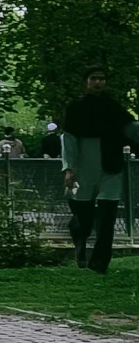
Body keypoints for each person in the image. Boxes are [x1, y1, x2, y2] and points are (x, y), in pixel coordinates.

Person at [61, 65, 135, 274]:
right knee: (83, 219)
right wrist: (69, 168)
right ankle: (80, 243)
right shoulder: (76, 108)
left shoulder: (113, 107)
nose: (98, 82)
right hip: (84, 166)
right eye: (94, 78)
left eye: (102, 79)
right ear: (86, 82)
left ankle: (100, 264)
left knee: (107, 217)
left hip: (111, 166)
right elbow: (69, 139)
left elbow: (131, 129)